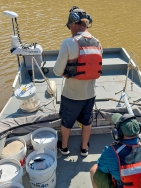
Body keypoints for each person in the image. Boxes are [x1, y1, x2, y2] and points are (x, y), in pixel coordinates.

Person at [54, 6, 103, 156]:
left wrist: (67, 73)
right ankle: (84, 148)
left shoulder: (68, 43)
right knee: (87, 122)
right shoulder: (98, 43)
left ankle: (64, 147)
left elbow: (57, 71)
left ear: (74, 24)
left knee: (67, 122)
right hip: (90, 94)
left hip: (72, 95)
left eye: (69, 26)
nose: (69, 29)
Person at [90, 113, 141, 188]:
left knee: (94, 169)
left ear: (117, 133)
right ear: (139, 127)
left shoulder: (111, 152)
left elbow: (102, 167)